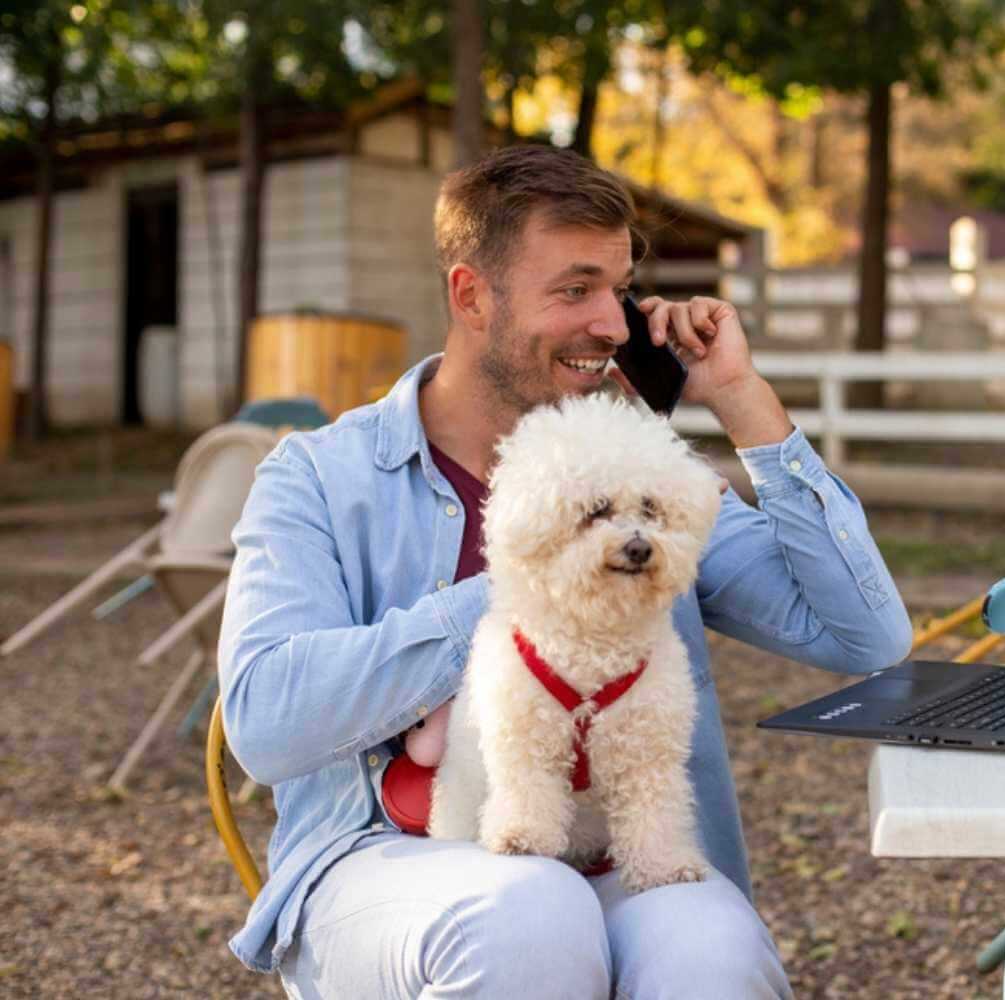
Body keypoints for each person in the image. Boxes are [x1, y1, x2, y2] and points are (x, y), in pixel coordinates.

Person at [218, 144, 913, 998]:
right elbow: (264, 722)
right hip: (381, 857)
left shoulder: (640, 472)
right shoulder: (318, 477)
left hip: (624, 851)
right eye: (575, 289)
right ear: (472, 295)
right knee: (529, 915)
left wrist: (738, 395)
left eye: (618, 291)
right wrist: (525, 593)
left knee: (714, 959)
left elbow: (863, 635)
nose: (615, 325)